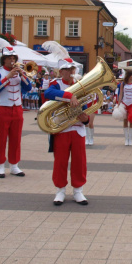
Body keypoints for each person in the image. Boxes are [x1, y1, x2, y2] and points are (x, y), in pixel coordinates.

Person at [44, 57, 89, 205]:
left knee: (79, 161)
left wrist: (86, 119)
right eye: (67, 70)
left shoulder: (80, 85)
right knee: (60, 161)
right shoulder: (55, 84)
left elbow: (87, 106)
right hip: (61, 128)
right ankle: (60, 191)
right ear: (61, 71)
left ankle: (78, 191)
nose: (70, 72)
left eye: (72, 70)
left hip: (77, 128)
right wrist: (69, 96)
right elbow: (48, 94)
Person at [0, 45, 32, 178]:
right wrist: (7, 77)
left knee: (16, 138)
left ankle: (14, 165)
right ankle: (0, 165)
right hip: (3, 107)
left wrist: (22, 75)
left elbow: (28, 88)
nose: (12, 60)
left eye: (13, 57)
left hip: (17, 108)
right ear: (4, 59)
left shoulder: (20, 71)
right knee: (1, 138)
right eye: (9, 58)